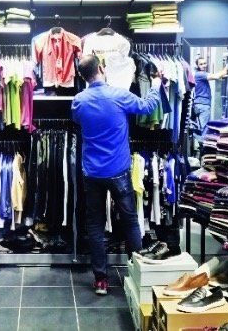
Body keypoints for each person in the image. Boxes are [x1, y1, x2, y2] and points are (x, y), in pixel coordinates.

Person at [71, 55, 161, 295]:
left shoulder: (78, 101)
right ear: (101, 68)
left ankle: (101, 280)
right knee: (130, 220)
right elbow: (148, 107)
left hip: (92, 171)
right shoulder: (119, 95)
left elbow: (77, 120)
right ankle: (137, 274)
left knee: (95, 225)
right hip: (118, 170)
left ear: (82, 76)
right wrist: (155, 85)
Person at [192, 57, 228, 141]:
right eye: (201, 64)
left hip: (201, 104)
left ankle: (201, 144)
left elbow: (219, 75)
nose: (203, 65)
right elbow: (216, 76)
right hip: (203, 105)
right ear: (197, 66)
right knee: (203, 129)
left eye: (204, 63)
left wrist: (224, 73)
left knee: (202, 128)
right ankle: (202, 147)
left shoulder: (201, 75)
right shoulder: (200, 74)